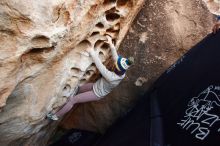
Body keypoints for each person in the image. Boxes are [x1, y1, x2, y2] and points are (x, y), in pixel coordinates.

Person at [47, 36, 134, 121]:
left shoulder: (112, 78)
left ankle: (55, 116)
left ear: (118, 68)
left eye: (116, 65)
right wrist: (111, 43)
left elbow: (100, 67)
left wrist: (92, 52)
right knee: (78, 89)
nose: (115, 64)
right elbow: (116, 59)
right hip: (95, 85)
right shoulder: (122, 72)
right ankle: (62, 105)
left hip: (96, 94)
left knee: (73, 100)